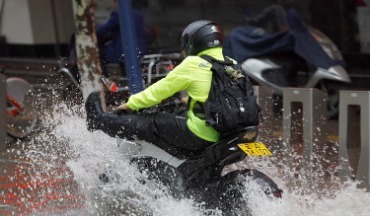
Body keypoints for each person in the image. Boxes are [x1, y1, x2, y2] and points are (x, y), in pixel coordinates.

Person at [85, 20, 231, 154]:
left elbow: (158, 91)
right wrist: (188, 101)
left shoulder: (194, 63)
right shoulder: (231, 63)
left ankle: (98, 120)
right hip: (227, 131)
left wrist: (130, 104)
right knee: (180, 117)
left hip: (202, 132)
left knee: (149, 123)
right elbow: (221, 93)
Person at [96, 0, 149, 76]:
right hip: (140, 51)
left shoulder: (118, 14)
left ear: (116, 3)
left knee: (98, 53)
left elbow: (102, 31)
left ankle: (104, 78)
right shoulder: (138, 14)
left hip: (124, 52)